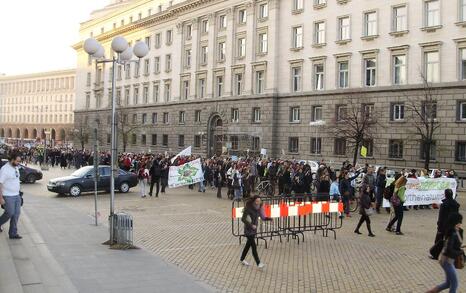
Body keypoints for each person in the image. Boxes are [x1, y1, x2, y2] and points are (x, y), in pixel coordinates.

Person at [427, 213, 464, 293]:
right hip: (446, 261)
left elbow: (456, 245)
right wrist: (460, 252)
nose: (460, 223)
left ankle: (431, 291)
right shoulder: (452, 233)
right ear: (455, 222)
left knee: (448, 283)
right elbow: (449, 249)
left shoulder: (458, 231)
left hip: (449, 260)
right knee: (454, 283)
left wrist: (462, 247)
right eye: (459, 221)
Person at [240, 196, 271, 268]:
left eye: (259, 201)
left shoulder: (259, 208)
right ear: (253, 201)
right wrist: (251, 225)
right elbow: (243, 219)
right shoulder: (248, 208)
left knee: (248, 245)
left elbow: (263, 217)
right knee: (253, 246)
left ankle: (242, 259)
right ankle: (258, 263)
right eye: (257, 201)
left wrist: (268, 219)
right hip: (248, 230)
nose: (258, 202)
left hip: (254, 230)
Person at [431, 189, 460, 259]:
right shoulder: (456, 204)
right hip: (453, 225)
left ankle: (435, 255)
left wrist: (439, 225)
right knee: (451, 240)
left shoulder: (444, 204)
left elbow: (441, 216)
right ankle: (451, 255)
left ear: (445, 195)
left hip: (444, 225)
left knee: (438, 240)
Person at [0, 152, 23, 239]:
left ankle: (13, 233)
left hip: (17, 195)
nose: (19, 163)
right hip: (8, 196)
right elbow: (0, 184)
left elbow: (16, 180)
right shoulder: (5, 169)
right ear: (12, 160)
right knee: (9, 213)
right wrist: (1, 198)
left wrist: (19, 193)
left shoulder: (15, 167)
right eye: (17, 161)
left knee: (16, 214)